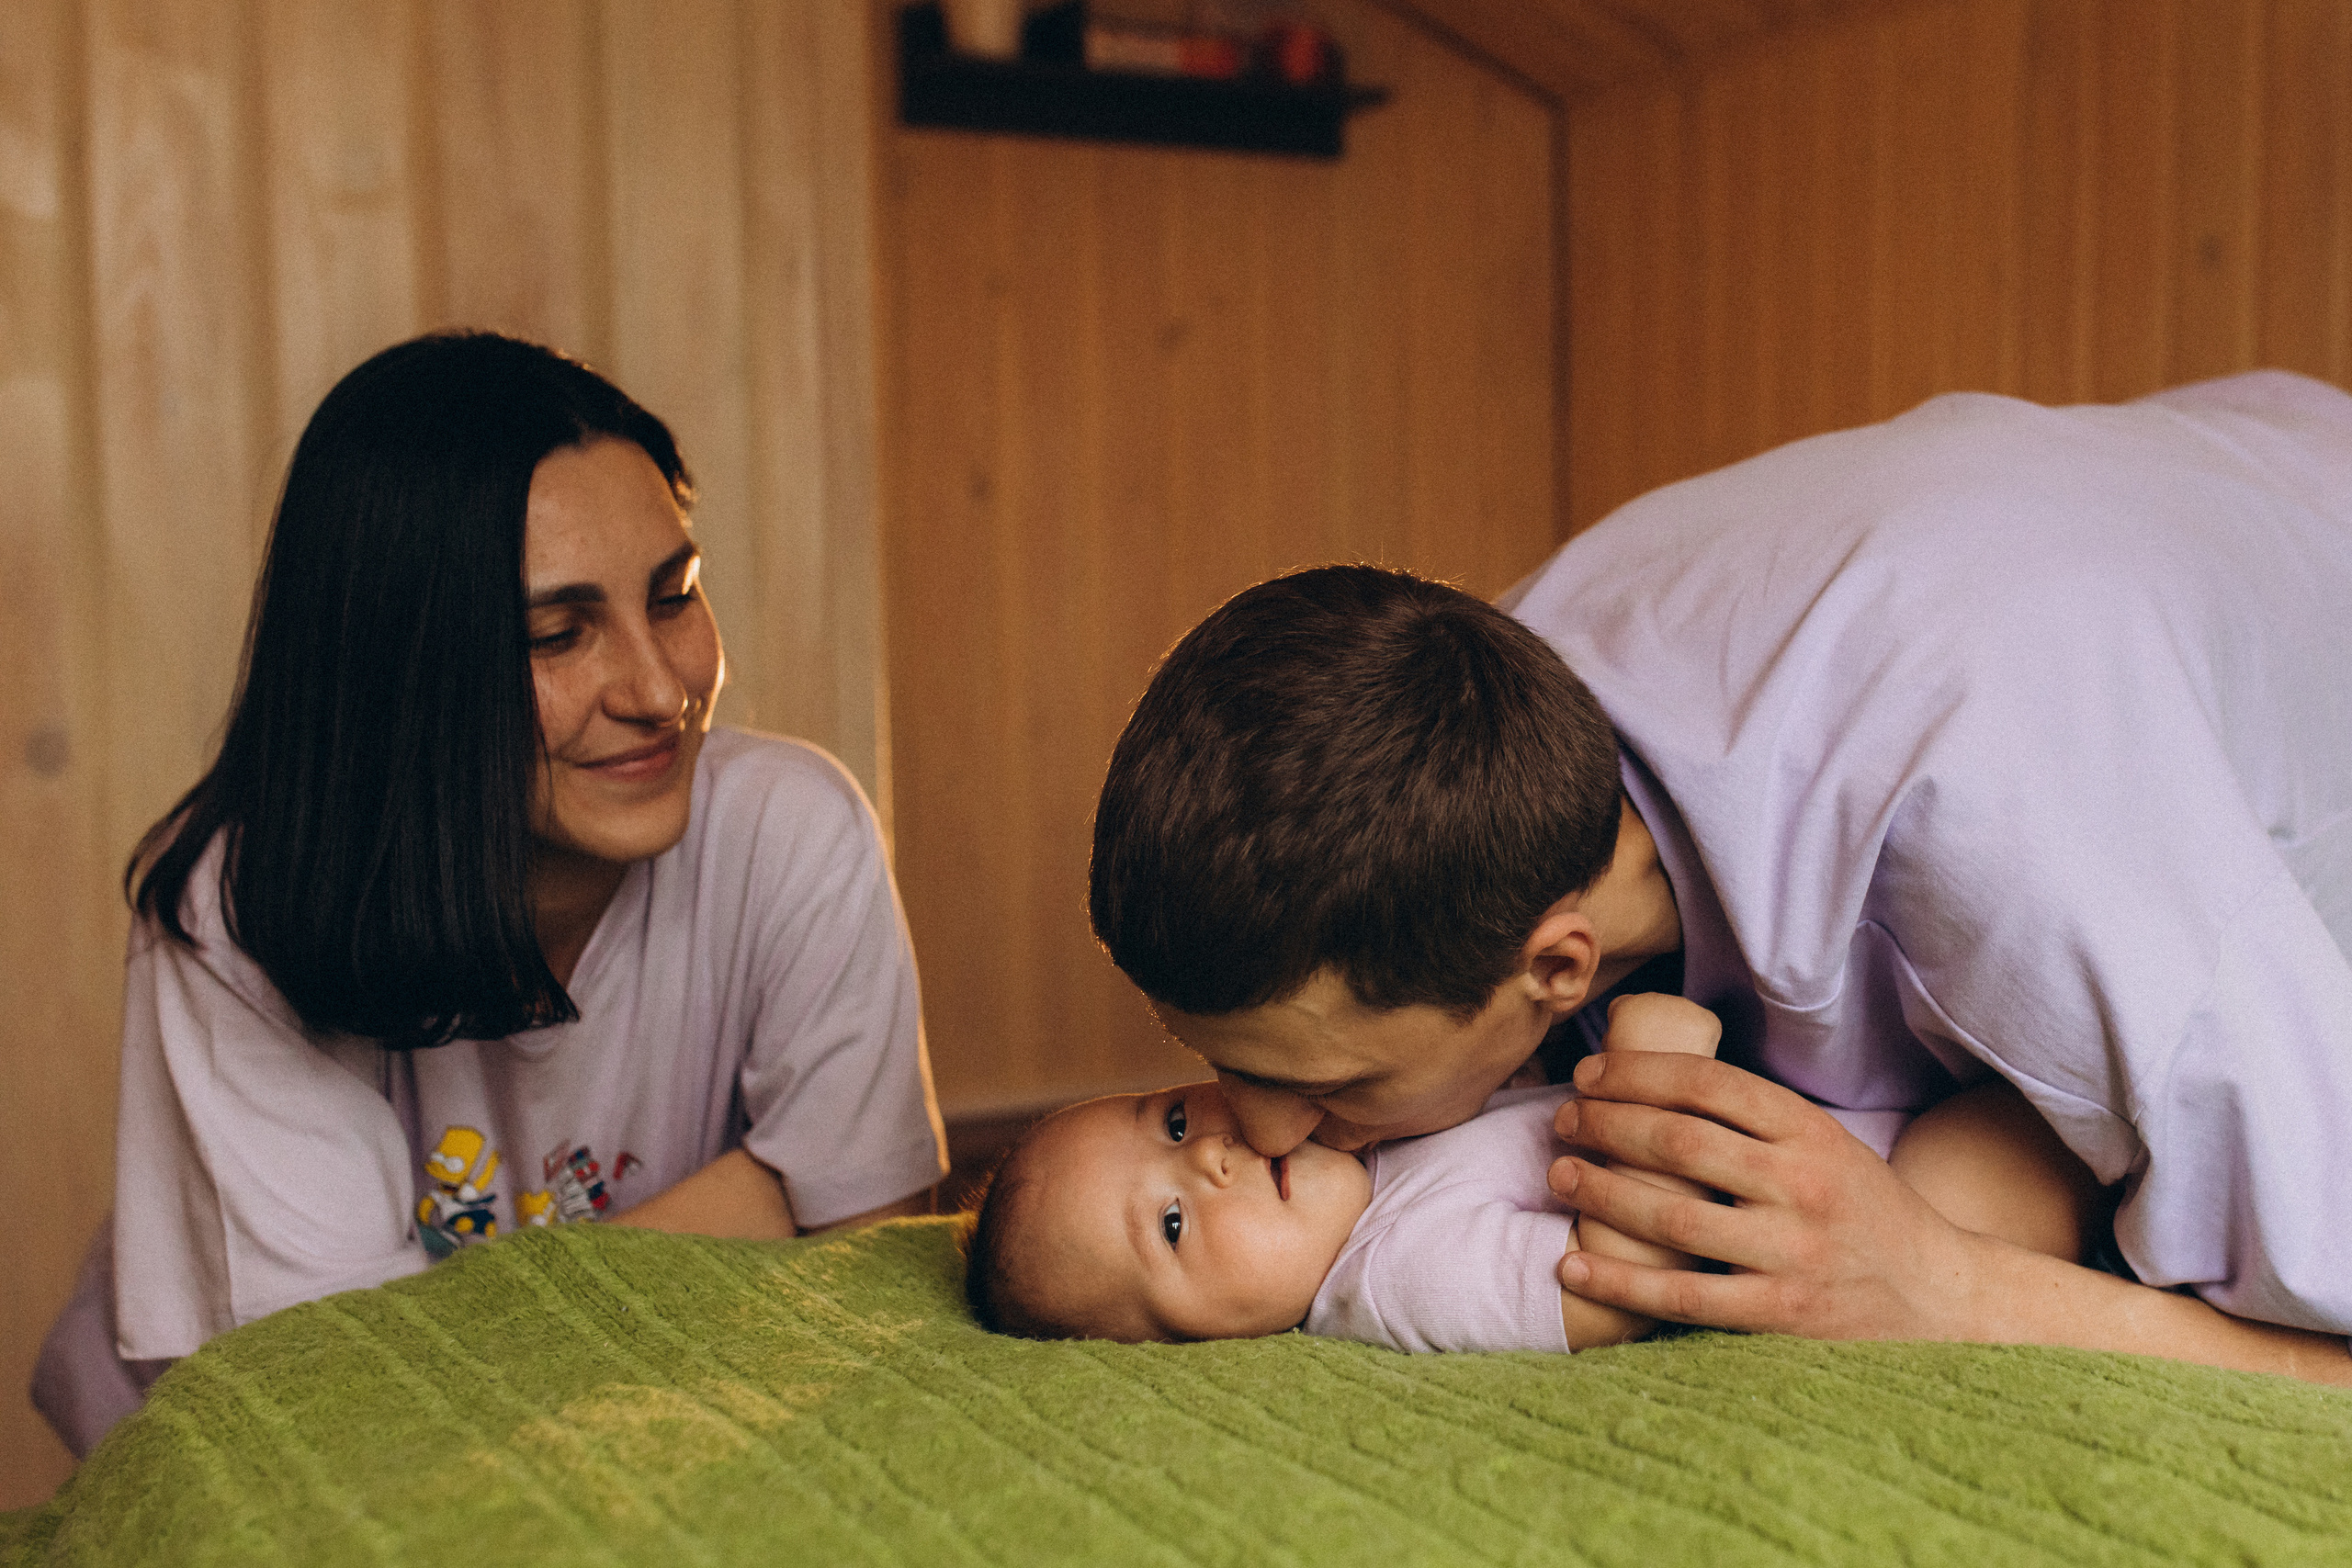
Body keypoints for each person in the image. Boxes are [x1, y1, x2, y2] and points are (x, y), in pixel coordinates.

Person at [1089, 372, 2352, 1387]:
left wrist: (1950, 1284)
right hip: (2162, 477)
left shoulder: (2064, 887)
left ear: (1558, 966)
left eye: (1320, 1084)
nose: (1246, 1128)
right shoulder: (1479, 709)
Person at [32, 333, 947, 1456]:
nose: (660, 691)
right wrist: (763, 1195)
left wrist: (449, 1311)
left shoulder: (793, 828)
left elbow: (866, 1242)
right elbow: (353, 1392)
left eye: (675, 597)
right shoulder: (237, 902)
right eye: (556, 635)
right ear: (397, 671)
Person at [967, 996, 2098, 1349]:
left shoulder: (1363, 1155)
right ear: (1184, 1349)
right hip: (1880, 1216)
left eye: (1170, 1122)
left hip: (1841, 1137)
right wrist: (1654, 1056)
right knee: (2007, 1148)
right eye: (1169, 1229)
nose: (1210, 1158)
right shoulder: (1394, 1278)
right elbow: (1610, 1287)